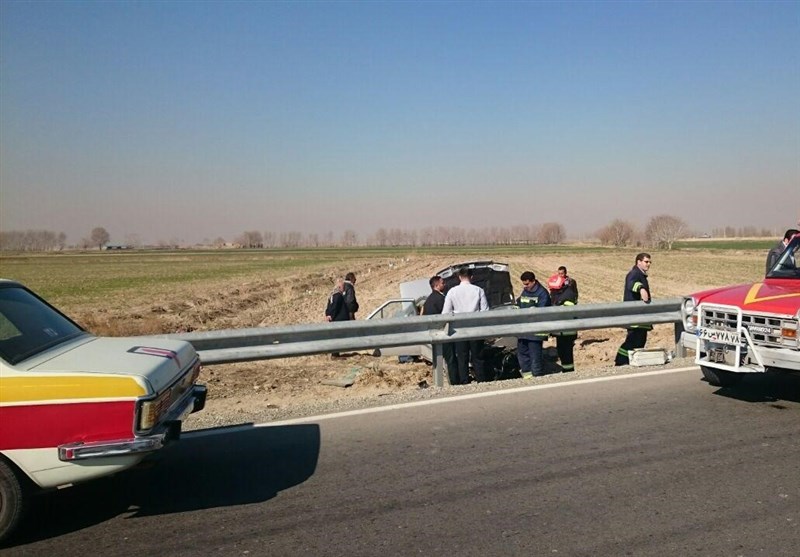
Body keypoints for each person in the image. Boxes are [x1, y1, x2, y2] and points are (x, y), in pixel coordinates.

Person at [442, 266, 489, 383]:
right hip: (476, 328)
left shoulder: (452, 291)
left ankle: (464, 381)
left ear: (459, 277)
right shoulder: (479, 290)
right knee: (478, 357)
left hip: (459, 329)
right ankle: (481, 380)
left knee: (462, 357)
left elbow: (446, 312)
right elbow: (485, 311)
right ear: (471, 277)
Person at [614, 253, 652, 366]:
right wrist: (641, 288)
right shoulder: (634, 273)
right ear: (638, 262)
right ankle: (621, 361)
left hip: (640, 316)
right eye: (646, 262)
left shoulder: (640, 274)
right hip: (635, 316)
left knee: (639, 341)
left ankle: (631, 362)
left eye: (650, 262)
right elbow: (631, 284)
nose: (648, 264)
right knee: (632, 341)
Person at [422, 275, 459, 385]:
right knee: (451, 359)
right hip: (443, 333)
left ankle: (445, 381)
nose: (445, 284)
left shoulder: (429, 300)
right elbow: (447, 315)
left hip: (434, 334)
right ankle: (455, 381)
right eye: (443, 283)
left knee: (440, 359)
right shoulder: (440, 299)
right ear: (437, 285)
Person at [515, 271, 551, 378]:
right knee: (522, 354)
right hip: (524, 329)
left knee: (535, 356)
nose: (525, 286)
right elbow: (520, 303)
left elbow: (542, 311)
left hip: (536, 330)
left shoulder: (542, 293)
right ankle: (527, 378)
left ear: (533, 281)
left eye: (527, 284)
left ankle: (537, 377)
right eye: (524, 284)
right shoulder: (525, 291)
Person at [548, 266, 578, 373]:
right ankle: (566, 370)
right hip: (560, 329)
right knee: (561, 350)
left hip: (567, 329)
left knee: (566, 352)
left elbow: (570, 304)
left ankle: (569, 372)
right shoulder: (556, 293)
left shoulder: (569, 290)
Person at [325, 277, 350, 358]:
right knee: (337, 337)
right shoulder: (338, 295)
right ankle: (335, 354)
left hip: (335, 319)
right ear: (339, 287)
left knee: (336, 336)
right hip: (338, 319)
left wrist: (328, 314)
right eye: (343, 286)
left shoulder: (332, 295)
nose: (344, 288)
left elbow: (329, 306)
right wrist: (331, 315)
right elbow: (334, 307)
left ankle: (335, 354)